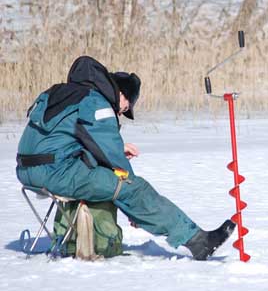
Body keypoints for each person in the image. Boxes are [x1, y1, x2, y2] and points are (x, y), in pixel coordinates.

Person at [16, 55, 235, 259]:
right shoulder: (97, 102)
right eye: (126, 107)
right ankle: (199, 242)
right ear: (121, 94)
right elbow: (113, 160)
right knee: (133, 187)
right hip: (56, 174)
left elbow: (65, 142)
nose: (122, 112)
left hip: (28, 171)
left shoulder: (62, 93)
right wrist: (131, 197)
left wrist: (116, 154)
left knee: (113, 181)